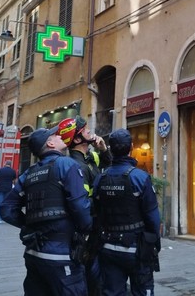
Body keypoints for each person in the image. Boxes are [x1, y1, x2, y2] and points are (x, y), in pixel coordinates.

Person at [0, 122, 92, 296]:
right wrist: (86, 230)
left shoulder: (29, 173)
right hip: (62, 255)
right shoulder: (66, 165)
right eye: (56, 136)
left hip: (34, 254)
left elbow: (6, 209)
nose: (60, 136)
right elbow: (80, 207)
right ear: (50, 144)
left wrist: (28, 225)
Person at [93, 128, 161, 296]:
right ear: (131, 147)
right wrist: (154, 244)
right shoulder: (140, 177)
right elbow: (153, 218)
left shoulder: (100, 179)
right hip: (136, 248)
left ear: (111, 148)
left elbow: (96, 211)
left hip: (108, 246)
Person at [67, 116, 112, 296]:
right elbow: (83, 202)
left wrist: (103, 149)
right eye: (85, 130)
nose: (90, 131)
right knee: (91, 276)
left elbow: (108, 163)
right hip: (88, 231)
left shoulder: (89, 157)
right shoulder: (76, 165)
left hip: (96, 226)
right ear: (78, 139)